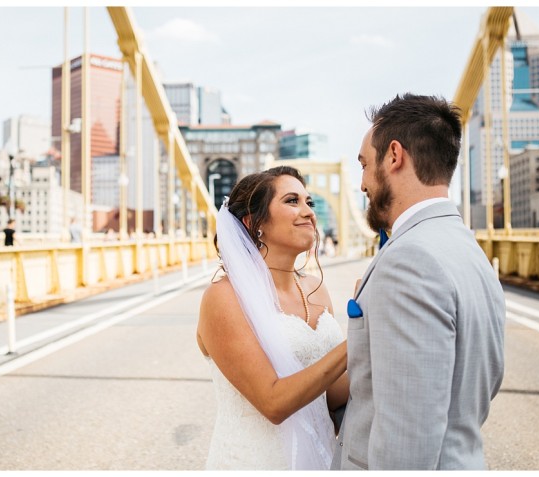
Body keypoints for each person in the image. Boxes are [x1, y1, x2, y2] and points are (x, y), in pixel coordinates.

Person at [334, 94, 505, 470]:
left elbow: (405, 445)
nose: (362, 183)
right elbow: (484, 382)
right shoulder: (470, 251)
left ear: (394, 156)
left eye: (364, 165)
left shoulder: (409, 261)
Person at [197, 166, 348, 470]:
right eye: (292, 201)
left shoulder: (315, 289)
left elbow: (332, 394)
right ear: (254, 224)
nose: (308, 212)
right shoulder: (225, 297)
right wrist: (359, 338)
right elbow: (273, 403)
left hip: (320, 461)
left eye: (310, 202)